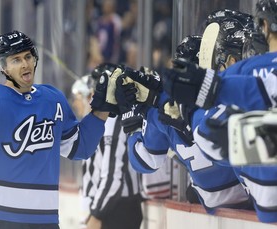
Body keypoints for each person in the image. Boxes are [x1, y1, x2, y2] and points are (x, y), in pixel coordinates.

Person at [0, 30, 124, 229]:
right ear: (3, 67)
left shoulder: (53, 99)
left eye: (28, 56)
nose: (25, 64)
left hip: (42, 219)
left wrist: (102, 110)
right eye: (15, 60)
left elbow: (80, 147)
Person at [161, 0, 277, 223]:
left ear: (263, 25)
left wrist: (204, 103)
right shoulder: (244, 73)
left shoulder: (243, 72)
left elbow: (209, 138)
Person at [114, 34, 251, 214]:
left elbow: (143, 162)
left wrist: (133, 124)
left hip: (205, 208)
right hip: (252, 203)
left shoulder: (161, 105)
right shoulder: (227, 100)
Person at [71, 63, 144, 229]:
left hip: (115, 210)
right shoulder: (104, 121)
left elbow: (112, 176)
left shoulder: (116, 121)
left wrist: (97, 214)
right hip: (107, 207)